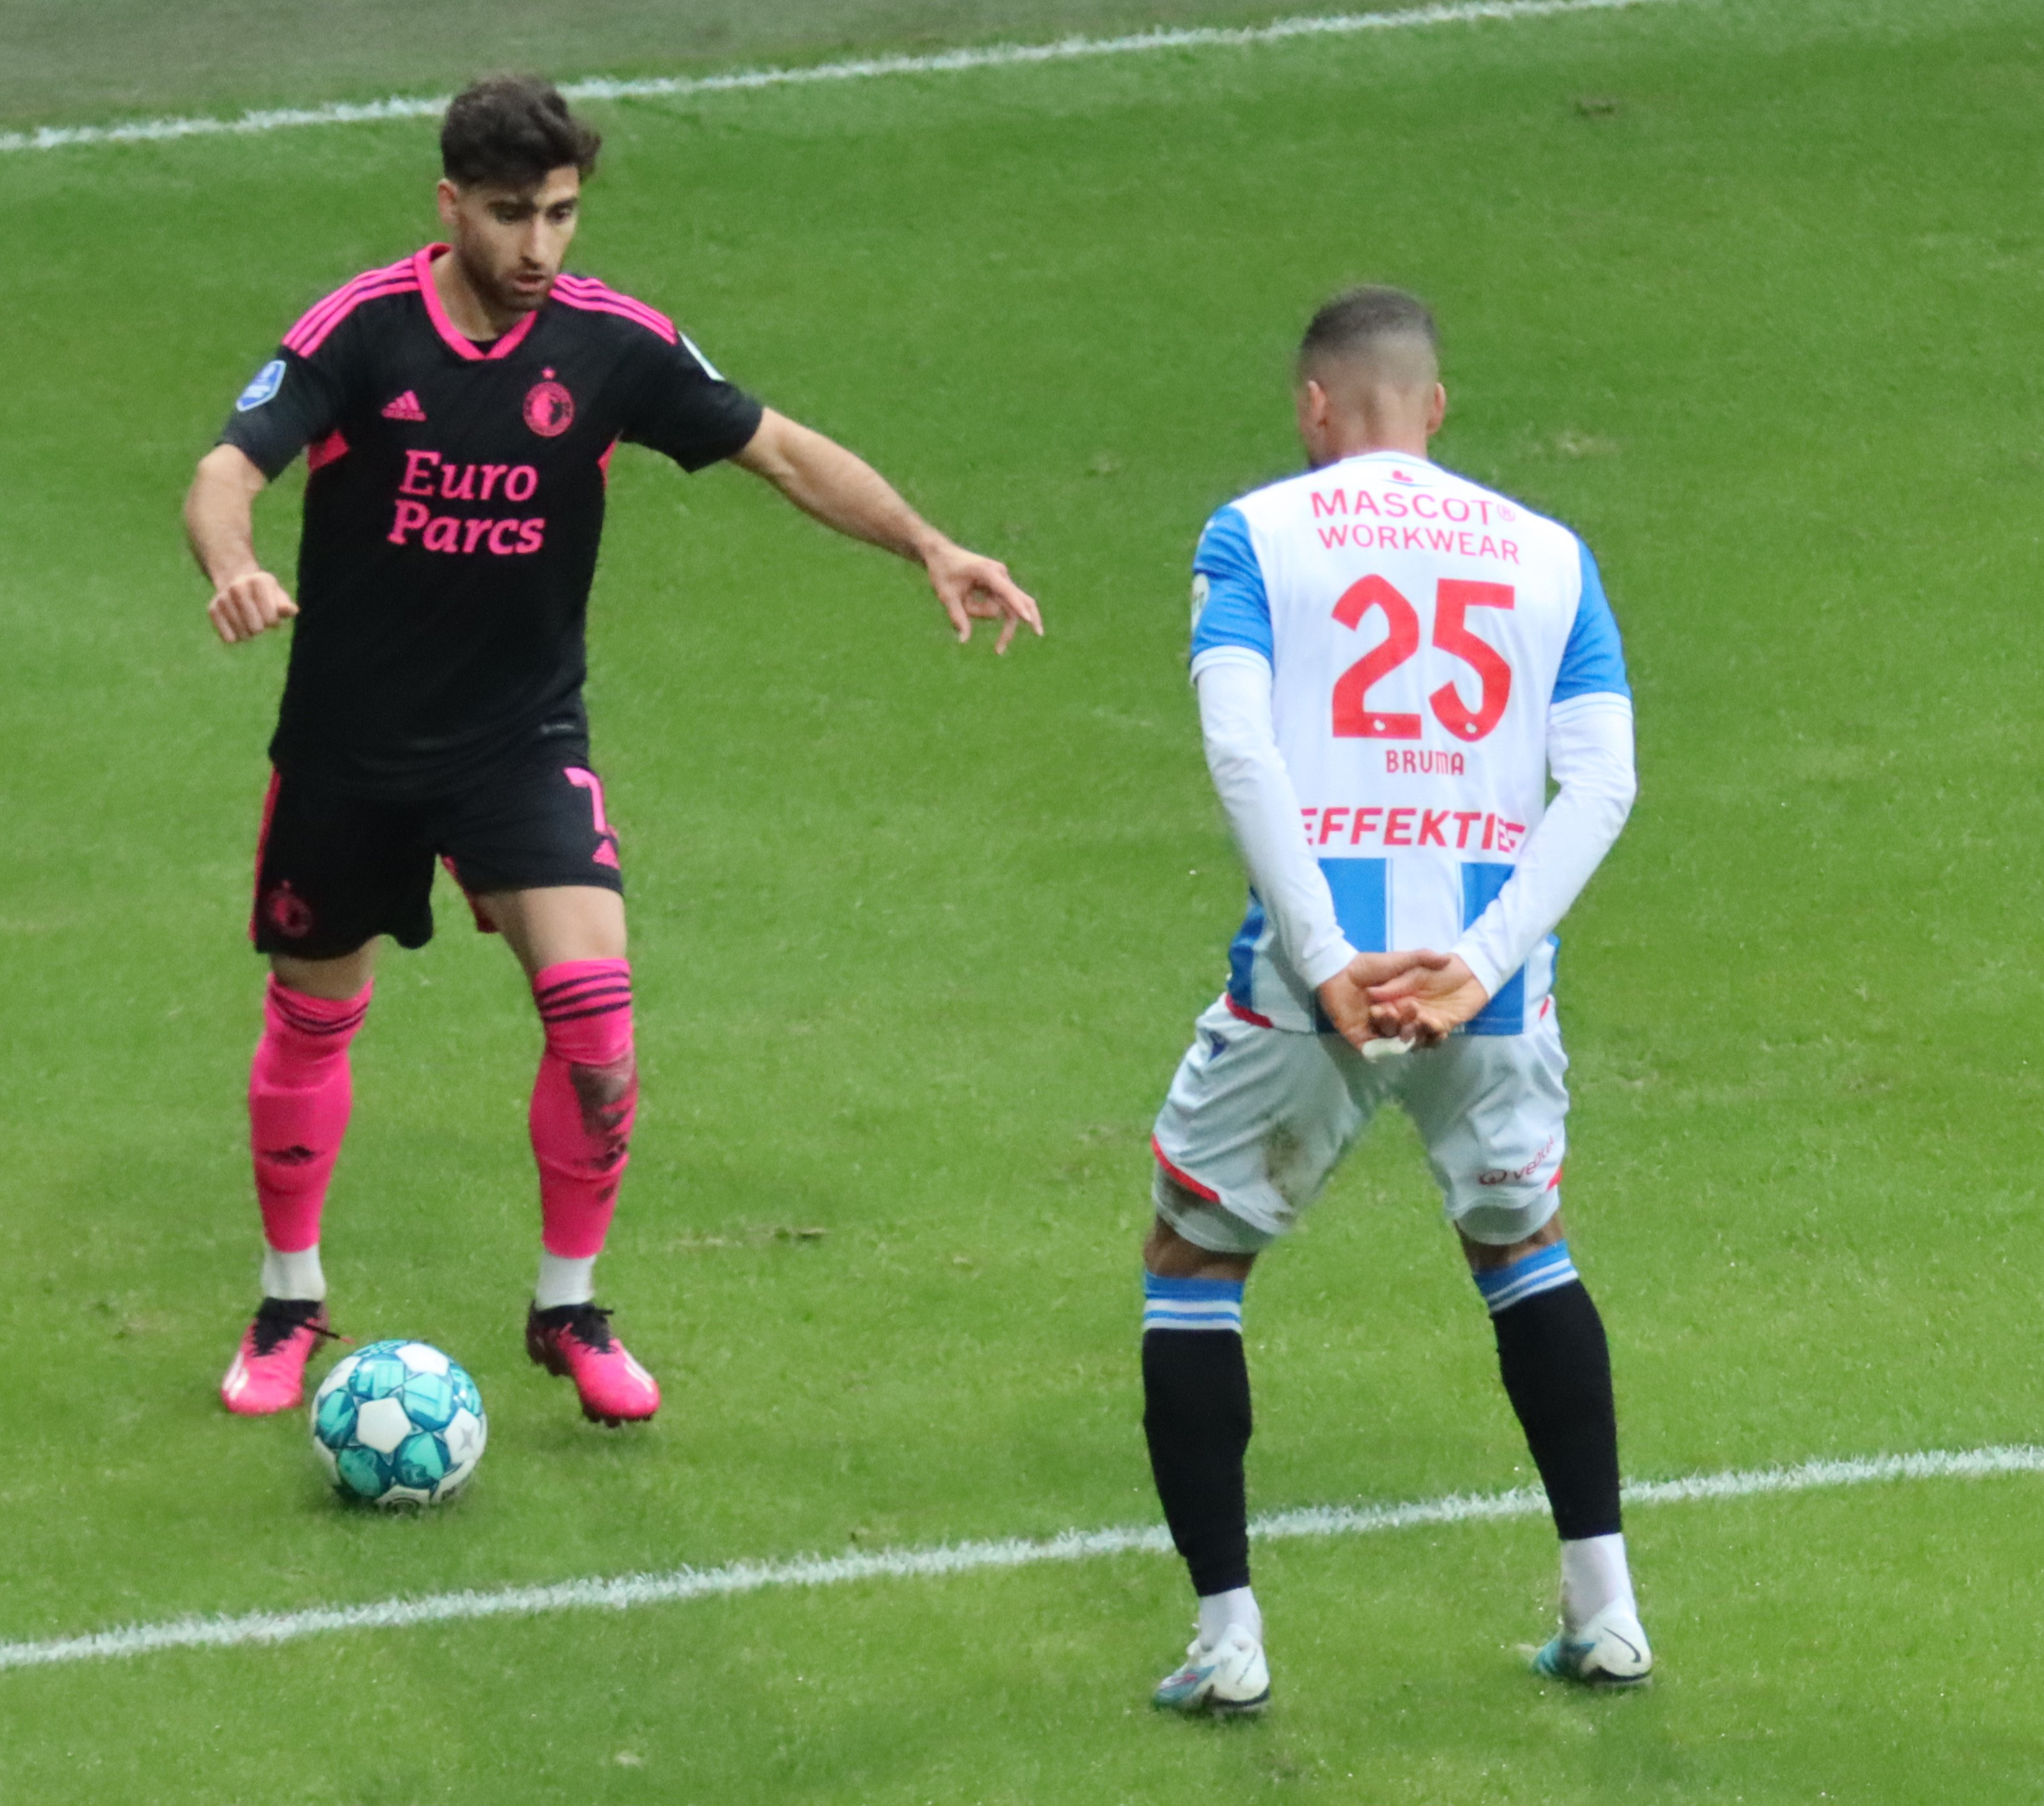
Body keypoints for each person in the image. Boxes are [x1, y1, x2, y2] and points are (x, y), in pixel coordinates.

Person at [186, 74, 1041, 1429]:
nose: (540, 249)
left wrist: (929, 541)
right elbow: (227, 470)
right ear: (451, 204)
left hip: (520, 743)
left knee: (598, 1021)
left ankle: (569, 1306)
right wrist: (233, 567)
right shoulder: (361, 333)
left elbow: (782, 451)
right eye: (514, 216)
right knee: (311, 1013)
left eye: (565, 215)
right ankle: (291, 1299)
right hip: (351, 752)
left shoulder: (611, 346)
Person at [1139, 286, 1644, 1714]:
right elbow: (1603, 781)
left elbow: (1242, 752)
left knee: (1191, 1266)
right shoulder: (1552, 554)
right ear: (1434, 409)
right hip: (1488, 996)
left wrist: (1320, 952)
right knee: (1523, 1242)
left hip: (1315, 991)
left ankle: (1230, 1641)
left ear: (1314, 407)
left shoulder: (1253, 531)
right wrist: (1481, 959)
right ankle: (1606, 1610)